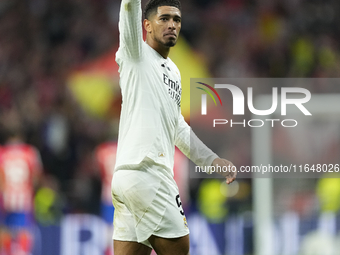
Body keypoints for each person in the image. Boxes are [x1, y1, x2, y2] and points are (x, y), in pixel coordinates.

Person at [112, 0, 237, 254]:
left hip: (127, 180)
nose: (172, 25)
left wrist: (212, 160)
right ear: (146, 25)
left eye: (176, 20)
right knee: (179, 248)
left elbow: (177, 127)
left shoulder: (174, 72)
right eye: (164, 18)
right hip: (148, 172)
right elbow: (128, 10)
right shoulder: (135, 54)